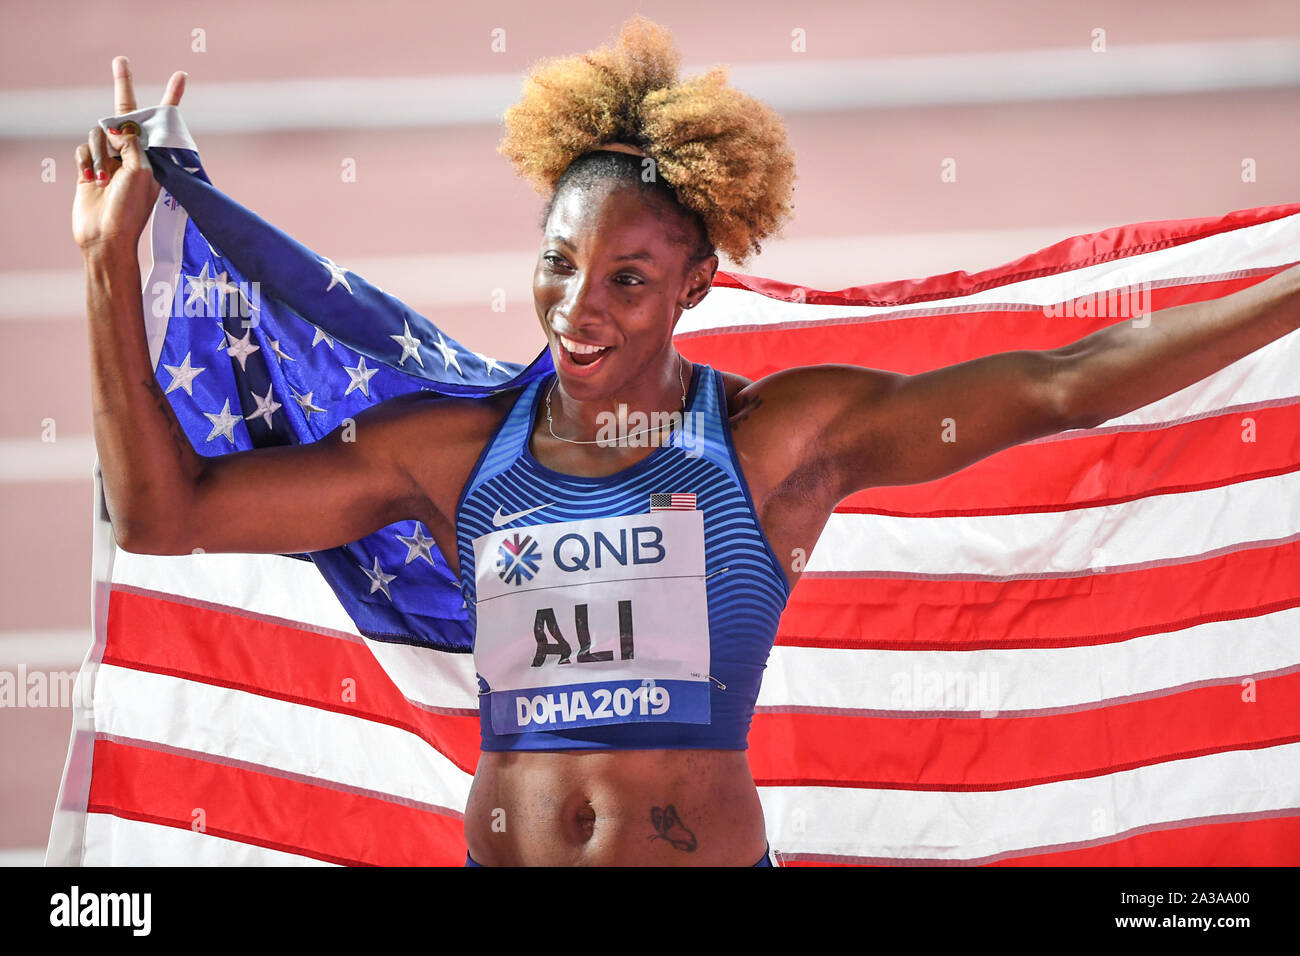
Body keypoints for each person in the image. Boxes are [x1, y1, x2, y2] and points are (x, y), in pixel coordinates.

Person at [73, 18, 1299, 867]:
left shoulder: (775, 441)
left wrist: (1286, 291)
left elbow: (1064, 383)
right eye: (557, 265)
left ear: (697, 284)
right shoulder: (446, 451)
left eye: (626, 277)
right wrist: (104, 261)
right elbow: (164, 514)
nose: (578, 306)